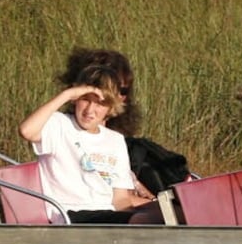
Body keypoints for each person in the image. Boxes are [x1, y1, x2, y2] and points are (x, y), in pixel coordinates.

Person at [18, 53, 156, 223]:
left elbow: (120, 199)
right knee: (145, 221)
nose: (90, 110)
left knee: (165, 218)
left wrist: (141, 215)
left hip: (106, 214)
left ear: (110, 108)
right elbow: (26, 131)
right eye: (85, 100)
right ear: (76, 99)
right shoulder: (59, 124)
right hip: (70, 214)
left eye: (99, 103)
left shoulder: (115, 140)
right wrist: (67, 95)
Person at [65, 46, 188, 194]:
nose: (121, 97)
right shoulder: (64, 130)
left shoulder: (118, 141)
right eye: (114, 90)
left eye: (124, 91)